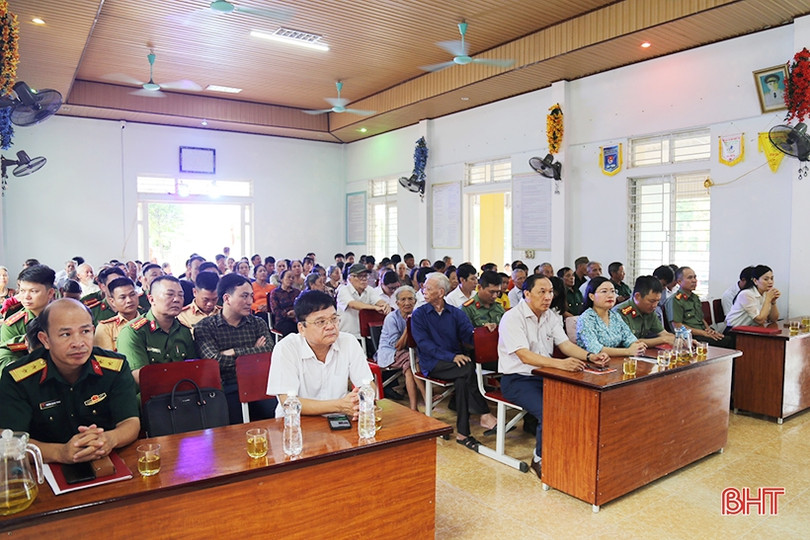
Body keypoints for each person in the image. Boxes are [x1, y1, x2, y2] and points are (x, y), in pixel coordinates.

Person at [0, 299, 139, 464]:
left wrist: (109, 439)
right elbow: (10, 442)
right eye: (66, 334)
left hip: (106, 461)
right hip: (45, 468)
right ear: (45, 339)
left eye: (85, 331)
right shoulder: (18, 377)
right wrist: (61, 453)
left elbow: (130, 422)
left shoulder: (115, 366)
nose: (78, 343)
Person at [498, 274, 607, 478]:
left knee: (579, 400)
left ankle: (569, 450)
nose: (548, 297)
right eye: (542, 292)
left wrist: (591, 356)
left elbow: (565, 345)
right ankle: (539, 458)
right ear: (527, 293)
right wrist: (560, 364)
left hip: (546, 374)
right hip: (517, 378)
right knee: (549, 411)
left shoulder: (551, 316)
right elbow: (524, 355)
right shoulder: (513, 317)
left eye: (550, 292)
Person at [410, 272, 497, 450]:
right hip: (433, 363)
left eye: (428, 288)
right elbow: (424, 345)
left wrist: (484, 331)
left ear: (441, 292)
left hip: (457, 365)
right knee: (467, 369)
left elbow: (469, 336)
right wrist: (451, 356)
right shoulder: (419, 314)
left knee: (462, 378)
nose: (423, 291)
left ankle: (463, 433)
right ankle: (484, 413)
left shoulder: (455, 313)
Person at [267, 290, 373, 418]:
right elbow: (289, 403)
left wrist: (359, 402)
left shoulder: (349, 342)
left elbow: (368, 385)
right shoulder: (286, 348)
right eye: (321, 322)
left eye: (334, 319)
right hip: (295, 424)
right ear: (302, 328)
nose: (330, 326)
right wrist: (339, 406)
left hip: (339, 419)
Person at [194, 273, 276, 424]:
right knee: (233, 426)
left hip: (258, 381)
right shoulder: (205, 327)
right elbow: (214, 362)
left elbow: (269, 352)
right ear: (226, 298)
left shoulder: (258, 323)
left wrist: (234, 352)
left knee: (277, 417)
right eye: (244, 296)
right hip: (227, 385)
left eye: (251, 296)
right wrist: (252, 351)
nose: (249, 302)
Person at [115, 276, 195, 385]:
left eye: (180, 295)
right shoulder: (133, 332)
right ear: (151, 299)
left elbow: (194, 368)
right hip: (148, 398)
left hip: (181, 395)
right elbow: (139, 377)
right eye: (169, 294)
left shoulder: (183, 331)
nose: (176, 299)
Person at [375, 286, 426, 410]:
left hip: (408, 354)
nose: (407, 303)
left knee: (409, 367)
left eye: (410, 299)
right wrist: (409, 326)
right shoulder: (391, 318)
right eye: (403, 300)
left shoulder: (418, 315)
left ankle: (414, 407)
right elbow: (397, 346)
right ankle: (426, 396)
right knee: (412, 360)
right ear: (397, 303)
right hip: (389, 352)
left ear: (415, 301)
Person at [0, 264, 56, 370]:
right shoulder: (12, 325)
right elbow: (6, 359)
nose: (26, 297)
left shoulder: (66, 317)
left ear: (50, 293)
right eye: (22, 291)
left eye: (33, 291)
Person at [576, 276, 646, 356]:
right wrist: (628, 351)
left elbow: (629, 338)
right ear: (592, 296)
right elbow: (596, 349)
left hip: (616, 361)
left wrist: (636, 346)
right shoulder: (586, 318)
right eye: (604, 291)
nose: (610, 295)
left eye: (613, 291)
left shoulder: (615, 316)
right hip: (593, 364)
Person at [664, 266, 732, 347]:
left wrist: (709, 330)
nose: (694, 280)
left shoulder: (695, 298)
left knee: (732, 339)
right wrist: (704, 333)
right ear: (679, 281)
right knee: (730, 342)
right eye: (690, 278)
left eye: (695, 277)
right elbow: (677, 326)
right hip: (690, 337)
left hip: (702, 333)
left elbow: (701, 318)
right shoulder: (675, 300)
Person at [613, 276, 674, 346]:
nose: (655, 305)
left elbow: (663, 333)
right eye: (652, 301)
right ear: (637, 296)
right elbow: (631, 342)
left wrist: (677, 338)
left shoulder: (650, 311)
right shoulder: (620, 312)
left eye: (657, 301)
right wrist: (663, 339)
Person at [336, 263, 391, 338]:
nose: (364, 279)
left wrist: (385, 305)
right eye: (360, 276)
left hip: (366, 336)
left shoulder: (369, 289)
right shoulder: (343, 290)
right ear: (350, 278)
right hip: (347, 335)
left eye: (365, 276)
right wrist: (374, 307)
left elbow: (378, 301)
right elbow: (353, 304)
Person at [94, 277, 141, 351]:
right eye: (123, 297)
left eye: (132, 295)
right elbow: (107, 360)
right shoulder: (106, 328)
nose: (129, 300)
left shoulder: (149, 322)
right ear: (112, 301)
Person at [268, 269, 300, 336]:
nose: (291, 279)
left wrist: (296, 312)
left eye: (292, 278)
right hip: (282, 320)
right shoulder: (275, 293)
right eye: (288, 277)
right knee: (290, 328)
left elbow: (302, 306)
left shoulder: (297, 292)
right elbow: (275, 310)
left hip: (296, 318)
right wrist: (287, 314)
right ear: (281, 279)